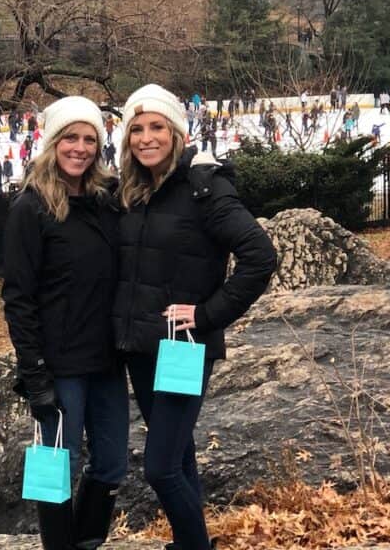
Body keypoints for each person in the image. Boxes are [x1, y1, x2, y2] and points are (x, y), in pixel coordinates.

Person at [113, 84, 277, 550]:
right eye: (137, 129)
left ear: (177, 133)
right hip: (140, 348)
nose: (146, 138)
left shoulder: (205, 187)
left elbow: (260, 256)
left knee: (160, 467)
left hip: (182, 348)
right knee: (179, 455)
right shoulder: (132, 189)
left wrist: (207, 316)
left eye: (157, 127)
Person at [2, 95, 127, 550]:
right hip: (58, 365)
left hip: (107, 361)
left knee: (112, 463)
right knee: (54, 468)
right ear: (52, 142)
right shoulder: (30, 209)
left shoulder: (105, 201)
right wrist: (34, 375)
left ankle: (86, 542)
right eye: (70, 138)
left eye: (89, 138)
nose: (80, 148)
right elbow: (18, 299)